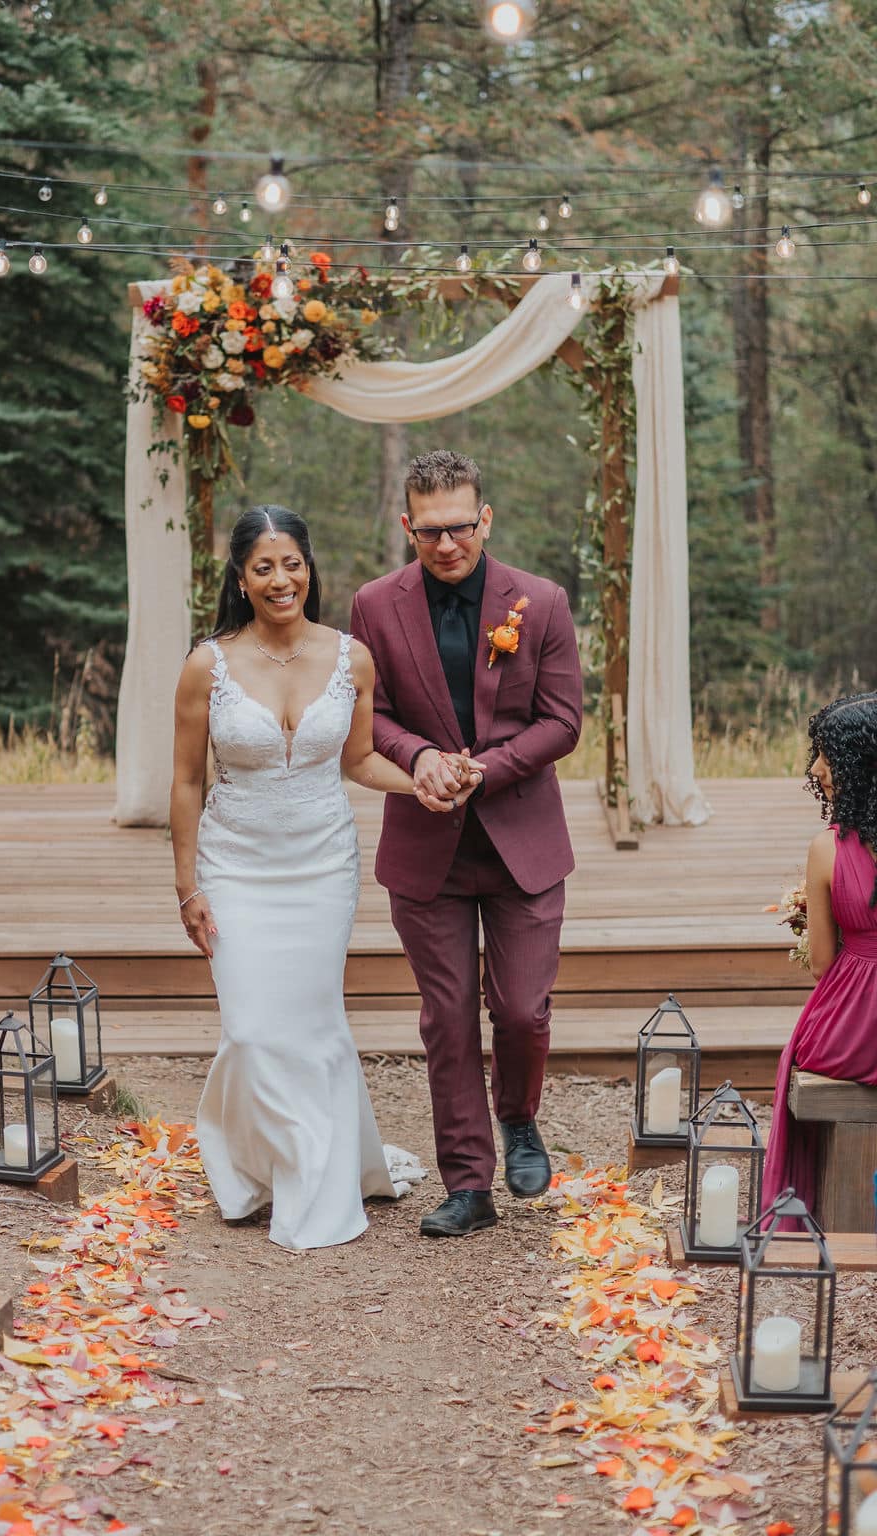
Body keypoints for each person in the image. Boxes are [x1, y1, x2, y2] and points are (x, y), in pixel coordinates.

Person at [170, 505, 475, 1251]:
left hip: (320, 865)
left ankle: (315, 1179)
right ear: (241, 579)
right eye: (264, 567)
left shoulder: (351, 657)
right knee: (247, 1030)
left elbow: (360, 760)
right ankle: (252, 1163)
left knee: (310, 1026)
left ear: (310, 567)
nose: (282, 579)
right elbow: (183, 783)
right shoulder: (206, 665)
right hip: (235, 863)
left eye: (293, 563)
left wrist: (422, 781)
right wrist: (188, 886)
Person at [350, 450, 583, 1238]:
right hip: (426, 841)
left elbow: (563, 722)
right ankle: (467, 1184)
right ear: (407, 524)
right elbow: (366, 716)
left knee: (520, 1010)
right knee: (445, 1016)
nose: (445, 545)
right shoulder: (374, 607)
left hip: (521, 838)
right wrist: (416, 757)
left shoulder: (542, 602)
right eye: (428, 532)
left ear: (485, 519)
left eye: (459, 528)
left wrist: (485, 769)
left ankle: (519, 1117)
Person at [761, 691, 877, 1216]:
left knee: (798, 1055)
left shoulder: (828, 848)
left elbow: (824, 965)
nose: (816, 768)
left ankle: (821, 1206)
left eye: (828, 754)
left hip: (851, 1036)